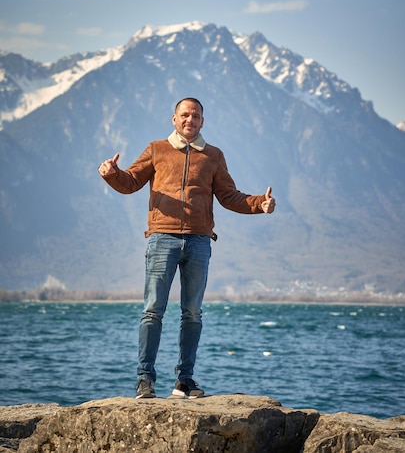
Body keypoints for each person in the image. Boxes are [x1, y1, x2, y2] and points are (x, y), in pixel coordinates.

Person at [98, 97, 275, 399]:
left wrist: (260, 204)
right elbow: (130, 182)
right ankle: (145, 380)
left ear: (202, 121)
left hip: (199, 241)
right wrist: (112, 173)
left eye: (195, 116)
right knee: (153, 310)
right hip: (161, 239)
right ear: (174, 119)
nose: (189, 120)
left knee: (192, 313)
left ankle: (185, 381)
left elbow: (229, 196)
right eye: (184, 115)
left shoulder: (214, 156)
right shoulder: (157, 149)